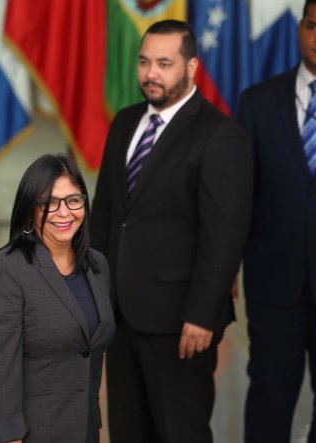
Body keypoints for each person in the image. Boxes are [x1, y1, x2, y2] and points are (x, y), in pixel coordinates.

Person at [90, 20, 253, 442]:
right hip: (121, 315)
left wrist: (202, 314)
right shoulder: (125, 123)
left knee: (181, 432)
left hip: (181, 323)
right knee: (128, 431)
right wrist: (91, 296)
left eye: (164, 63)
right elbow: (106, 216)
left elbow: (224, 235)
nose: (151, 74)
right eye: (144, 62)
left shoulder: (219, 135)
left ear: (191, 67)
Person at [0, 154, 115, 443]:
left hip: (82, 431)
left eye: (74, 200)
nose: (64, 212)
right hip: (24, 435)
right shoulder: (7, 269)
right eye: (50, 203)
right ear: (30, 211)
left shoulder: (97, 266)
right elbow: (1, 369)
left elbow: (90, 357)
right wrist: (12, 437)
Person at [237, 1, 316, 441]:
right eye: (312, 25)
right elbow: (238, 197)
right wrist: (227, 266)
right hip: (274, 286)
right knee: (269, 398)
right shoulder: (257, 102)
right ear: (300, 28)